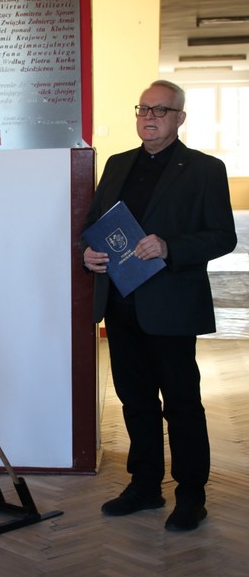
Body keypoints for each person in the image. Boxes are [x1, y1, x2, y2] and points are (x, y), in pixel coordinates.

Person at [82, 80, 237, 532]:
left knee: (182, 404)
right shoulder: (117, 164)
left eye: (161, 110)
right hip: (120, 303)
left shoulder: (205, 169)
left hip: (171, 306)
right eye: (144, 109)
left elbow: (222, 237)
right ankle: (145, 485)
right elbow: (92, 225)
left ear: (180, 118)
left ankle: (191, 495)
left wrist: (171, 247)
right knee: (135, 401)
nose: (149, 117)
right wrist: (86, 254)